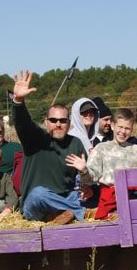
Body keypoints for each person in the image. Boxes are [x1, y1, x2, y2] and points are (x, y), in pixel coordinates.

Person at [11, 70, 92, 225]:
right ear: (46, 121)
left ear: (69, 123)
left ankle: (62, 214)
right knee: (38, 194)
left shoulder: (75, 143)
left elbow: (87, 181)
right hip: (36, 205)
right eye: (53, 120)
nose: (58, 124)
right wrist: (18, 101)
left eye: (63, 120)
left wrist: (85, 177)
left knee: (81, 195)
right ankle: (79, 211)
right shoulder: (35, 138)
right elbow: (22, 122)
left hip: (64, 198)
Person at [66, 108, 137, 220]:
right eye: (120, 127)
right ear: (113, 126)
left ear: (132, 129)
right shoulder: (101, 149)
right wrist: (84, 170)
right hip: (110, 198)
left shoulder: (136, 150)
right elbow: (91, 178)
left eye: (127, 128)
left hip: (133, 196)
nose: (123, 131)